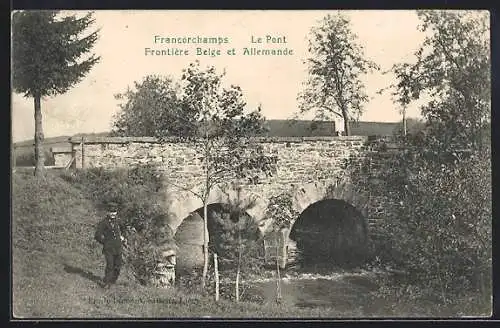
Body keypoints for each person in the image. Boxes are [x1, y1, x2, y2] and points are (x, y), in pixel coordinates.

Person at [94, 203, 125, 289]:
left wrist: (122, 237)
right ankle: (107, 283)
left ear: (116, 212)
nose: (112, 213)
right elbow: (97, 235)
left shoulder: (118, 221)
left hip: (118, 247)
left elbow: (122, 229)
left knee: (118, 266)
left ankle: (113, 281)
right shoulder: (103, 223)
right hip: (109, 249)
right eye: (111, 211)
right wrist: (105, 242)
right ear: (107, 212)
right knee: (110, 265)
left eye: (114, 211)